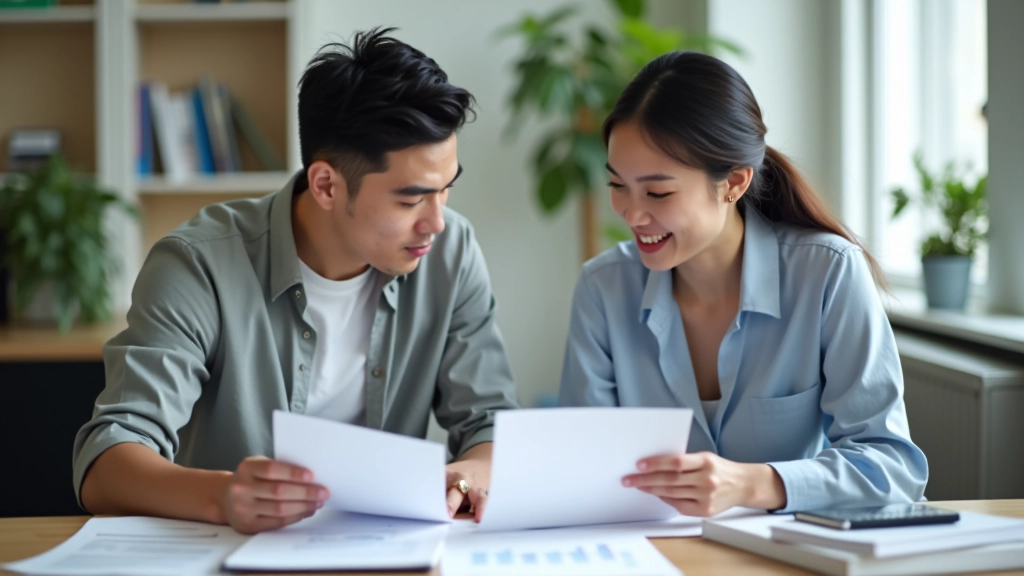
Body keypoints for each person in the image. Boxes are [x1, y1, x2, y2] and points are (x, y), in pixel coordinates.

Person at [74, 28, 518, 534]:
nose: (436, 222)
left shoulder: (451, 252)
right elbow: (105, 462)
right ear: (326, 184)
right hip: (228, 556)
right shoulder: (198, 265)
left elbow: (489, 424)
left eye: (445, 190)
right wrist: (223, 498)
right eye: (411, 199)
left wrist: (473, 470)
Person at [559, 51, 927, 516]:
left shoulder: (828, 273)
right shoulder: (602, 289)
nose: (632, 214)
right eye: (617, 186)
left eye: (658, 192)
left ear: (733, 183)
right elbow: (577, 465)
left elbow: (893, 467)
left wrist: (756, 483)